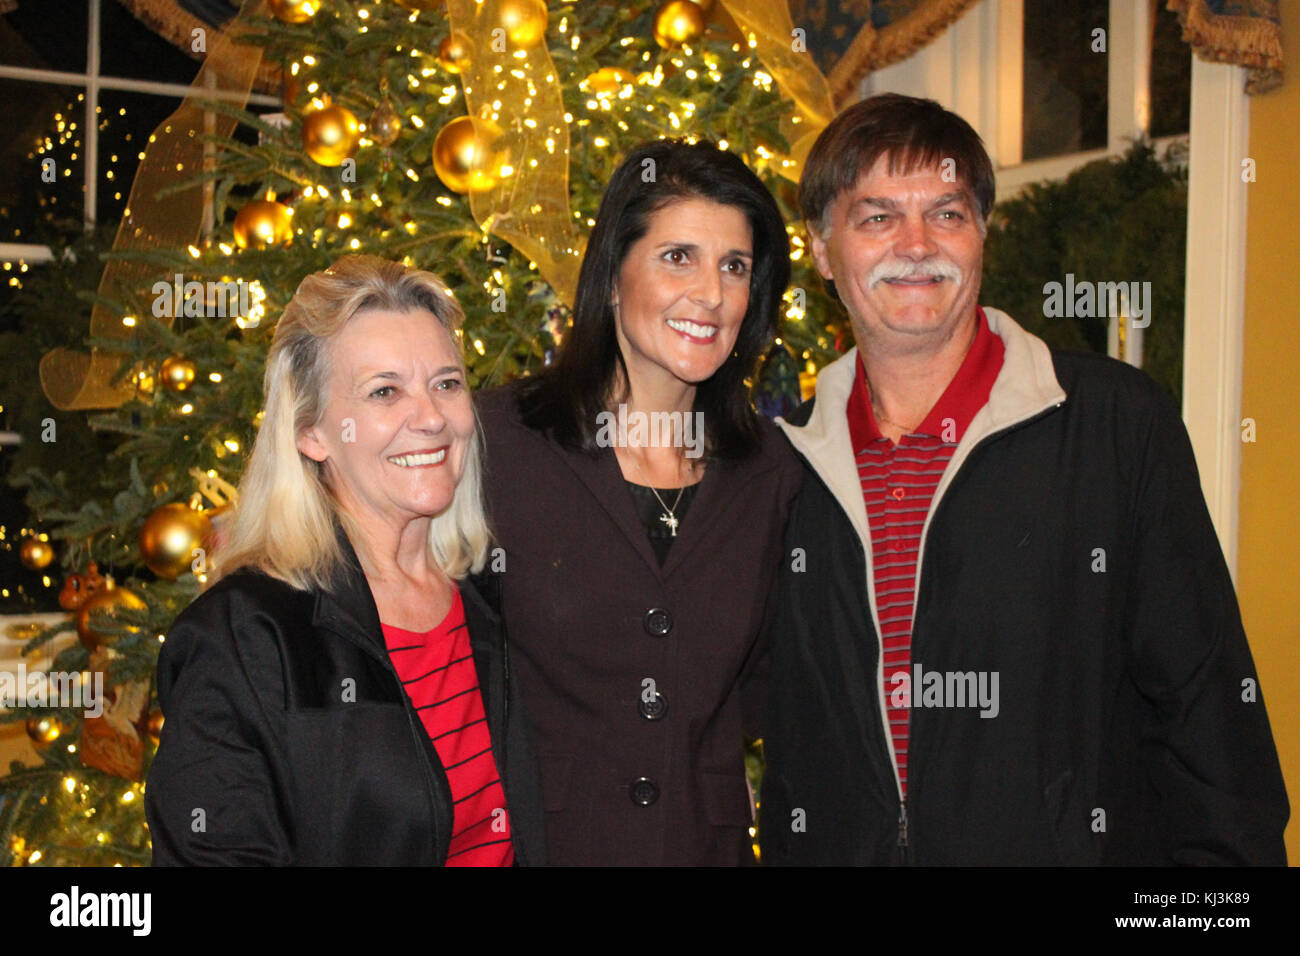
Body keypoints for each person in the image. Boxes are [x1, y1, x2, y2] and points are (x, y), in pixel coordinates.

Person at [759, 93, 1289, 865]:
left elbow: (1208, 710)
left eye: (946, 213)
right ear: (820, 246)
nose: (915, 245)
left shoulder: (1112, 424)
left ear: (981, 235)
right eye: (876, 218)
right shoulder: (784, 467)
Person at [146, 255, 543, 865]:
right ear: (311, 432)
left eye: (447, 382)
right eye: (385, 391)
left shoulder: (493, 598)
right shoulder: (245, 638)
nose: (432, 417)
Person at [475, 139, 802, 865]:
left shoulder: (770, 473)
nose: (711, 294)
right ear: (615, 277)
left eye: (735, 267)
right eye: (677, 256)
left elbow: (774, 686)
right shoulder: (496, 442)